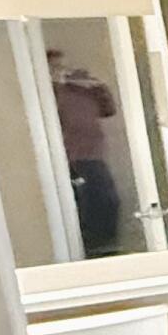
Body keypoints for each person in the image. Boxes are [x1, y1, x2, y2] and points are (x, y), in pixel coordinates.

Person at [50, 48, 122, 256]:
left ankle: (109, 252)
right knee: (86, 209)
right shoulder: (50, 93)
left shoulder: (81, 89)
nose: (60, 70)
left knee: (109, 202)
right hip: (72, 159)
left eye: (61, 65)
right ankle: (91, 254)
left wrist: (97, 85)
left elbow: (108, 109)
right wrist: (56, 85)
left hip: (94, 155)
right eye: (54, 66)